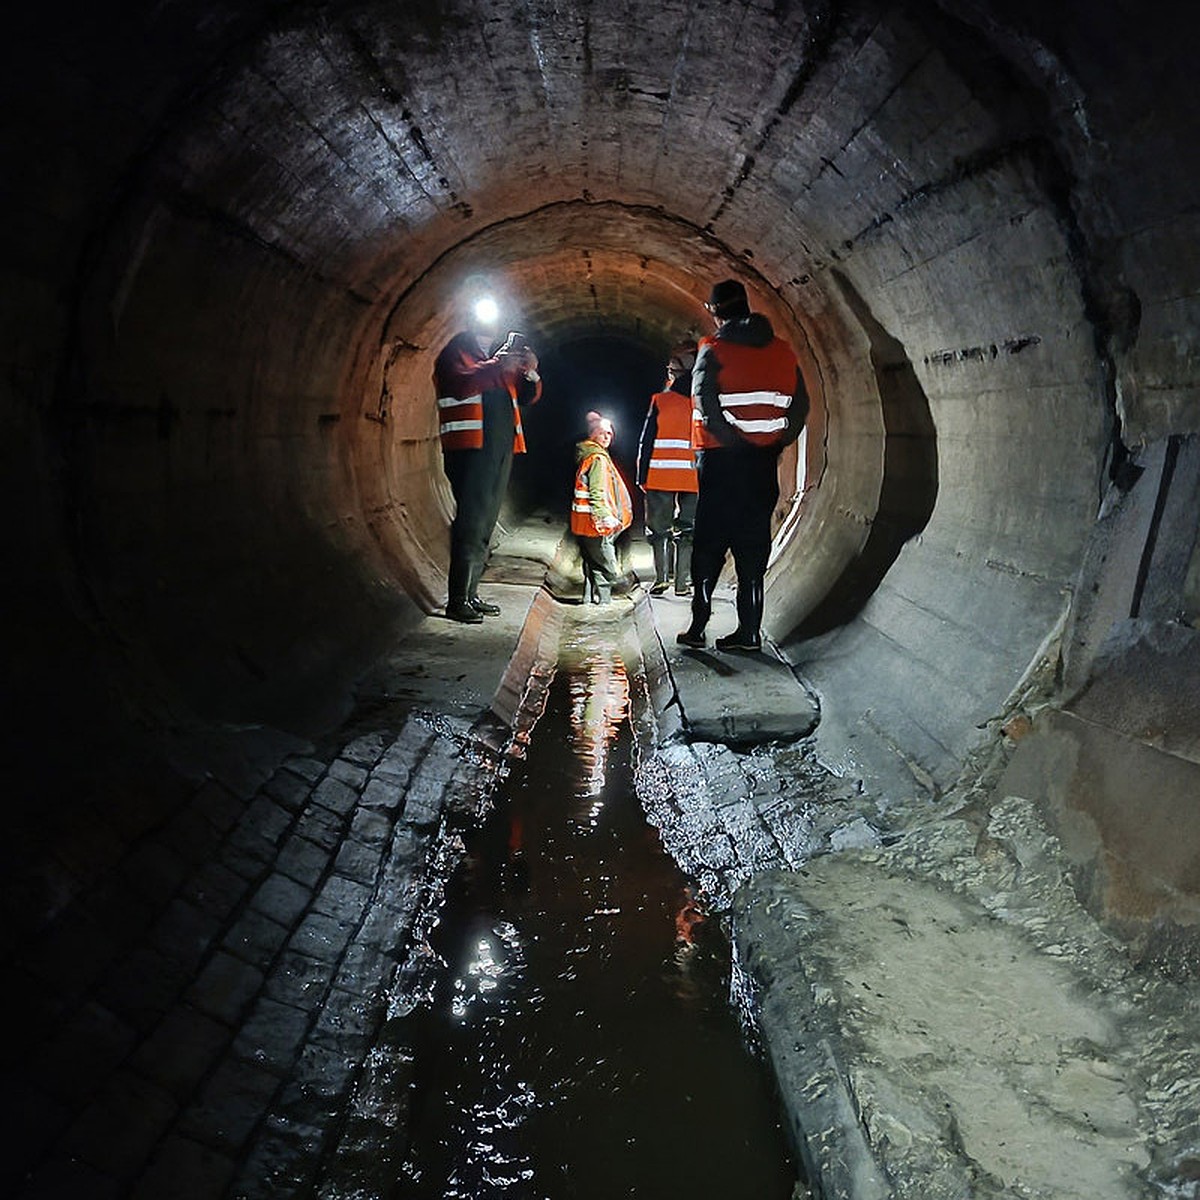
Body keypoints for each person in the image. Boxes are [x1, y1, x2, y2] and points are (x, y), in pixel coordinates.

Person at [677, 279, 808, 652]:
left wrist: (732, 441)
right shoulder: (783, 351)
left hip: (721, 462)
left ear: (715, 312)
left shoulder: (713, 348)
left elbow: (703, 398)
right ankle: (749, 633)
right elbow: (800, 405)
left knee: (709, 545)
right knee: (753, 547)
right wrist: (775, 440)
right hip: (762, 463)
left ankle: (698, 628)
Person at [433, 314, 541, 623]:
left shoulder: (496, 359)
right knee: (471, 520)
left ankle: (472, 593)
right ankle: (457, 599)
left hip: (499, 450)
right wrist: (499, 366)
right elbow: (460, 383)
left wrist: (529, 371)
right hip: (470, 450)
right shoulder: (456, 352)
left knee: (485, 522)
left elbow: (527, 396)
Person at [636, 343, 699, 596]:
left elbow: (647, 440)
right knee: (688, 529)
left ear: (674, 373)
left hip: (659, 474)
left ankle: (662, 578)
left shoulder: (660, 400)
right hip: (693, 476)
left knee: (659, 529)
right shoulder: (703, 401)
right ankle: (683, 582)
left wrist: (641, 476)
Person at [571, 411, 633, 605]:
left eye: (610, 434)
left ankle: (590, 599)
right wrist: (604, 516)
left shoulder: (589, 455)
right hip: (595, 522)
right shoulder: (597, 458)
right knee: (606, 562)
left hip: (584, 521)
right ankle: (605, 597)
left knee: (591, 560)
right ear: (592, 435)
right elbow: (597, 490)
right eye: (602, 433)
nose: (607, 437)